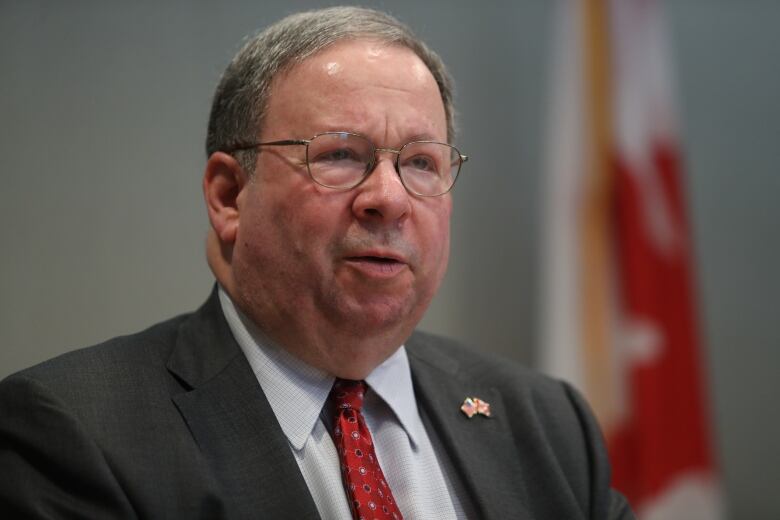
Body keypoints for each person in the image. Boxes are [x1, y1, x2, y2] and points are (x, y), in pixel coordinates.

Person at [0, 6, 633, 519]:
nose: (388, 198)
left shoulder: (548, 424)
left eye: (420, 162)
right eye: (339, 154)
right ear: (229, 196)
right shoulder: (74, 434)